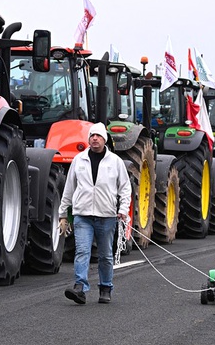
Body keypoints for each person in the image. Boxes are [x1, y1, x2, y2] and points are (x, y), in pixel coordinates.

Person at [59, 122, 131, 305]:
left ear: (104, 139)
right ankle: (80, 288)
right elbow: (69, 189)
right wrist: (62, 215)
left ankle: (105, 287)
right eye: (92, 136)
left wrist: (123, 210)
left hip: (106, 216)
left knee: (105, 254)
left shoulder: (115, 162)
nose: (94, 139)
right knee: (82, 251)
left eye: (98, 136)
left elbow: (125, 188)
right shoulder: (79, 160)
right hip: (82, 215)